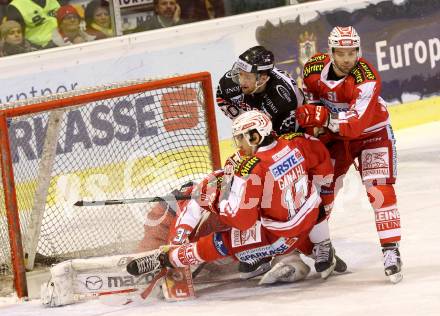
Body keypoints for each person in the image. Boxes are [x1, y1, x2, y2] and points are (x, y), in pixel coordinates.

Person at [127, 110, 341, 283]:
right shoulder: (295, 142)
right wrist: (322, 194)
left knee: (222, 243)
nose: (238, 144)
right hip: (309, 221)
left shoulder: (251, 168)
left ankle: (169, 258)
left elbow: (241, 219)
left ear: (255, 135)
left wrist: (218, 203)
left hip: (277, 236)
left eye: (240, 138)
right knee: (306, 204)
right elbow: (320, 156)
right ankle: (320, 247)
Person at [296, 26, 402, 283]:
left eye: (352, 52)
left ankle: (391, 251)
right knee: (322, 190)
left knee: (379, 190)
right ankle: (321, 245)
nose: (347, 59)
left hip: (372, 135)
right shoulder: (312, 68)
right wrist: (312, 117)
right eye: (341, 53)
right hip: (335, 138)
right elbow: (311, 101)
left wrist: (320, 116)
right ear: (330, 52)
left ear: (359, 51)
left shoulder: (366, 78)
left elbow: (355, 124)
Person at [216, 45, 305, 136]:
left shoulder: (284, 100)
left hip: (296, 128)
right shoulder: (228, 84)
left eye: (247, 77)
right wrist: (243, 122)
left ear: (262, 79)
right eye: (240, 74)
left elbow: (287, 140)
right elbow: (221, 98)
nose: (241, 82)